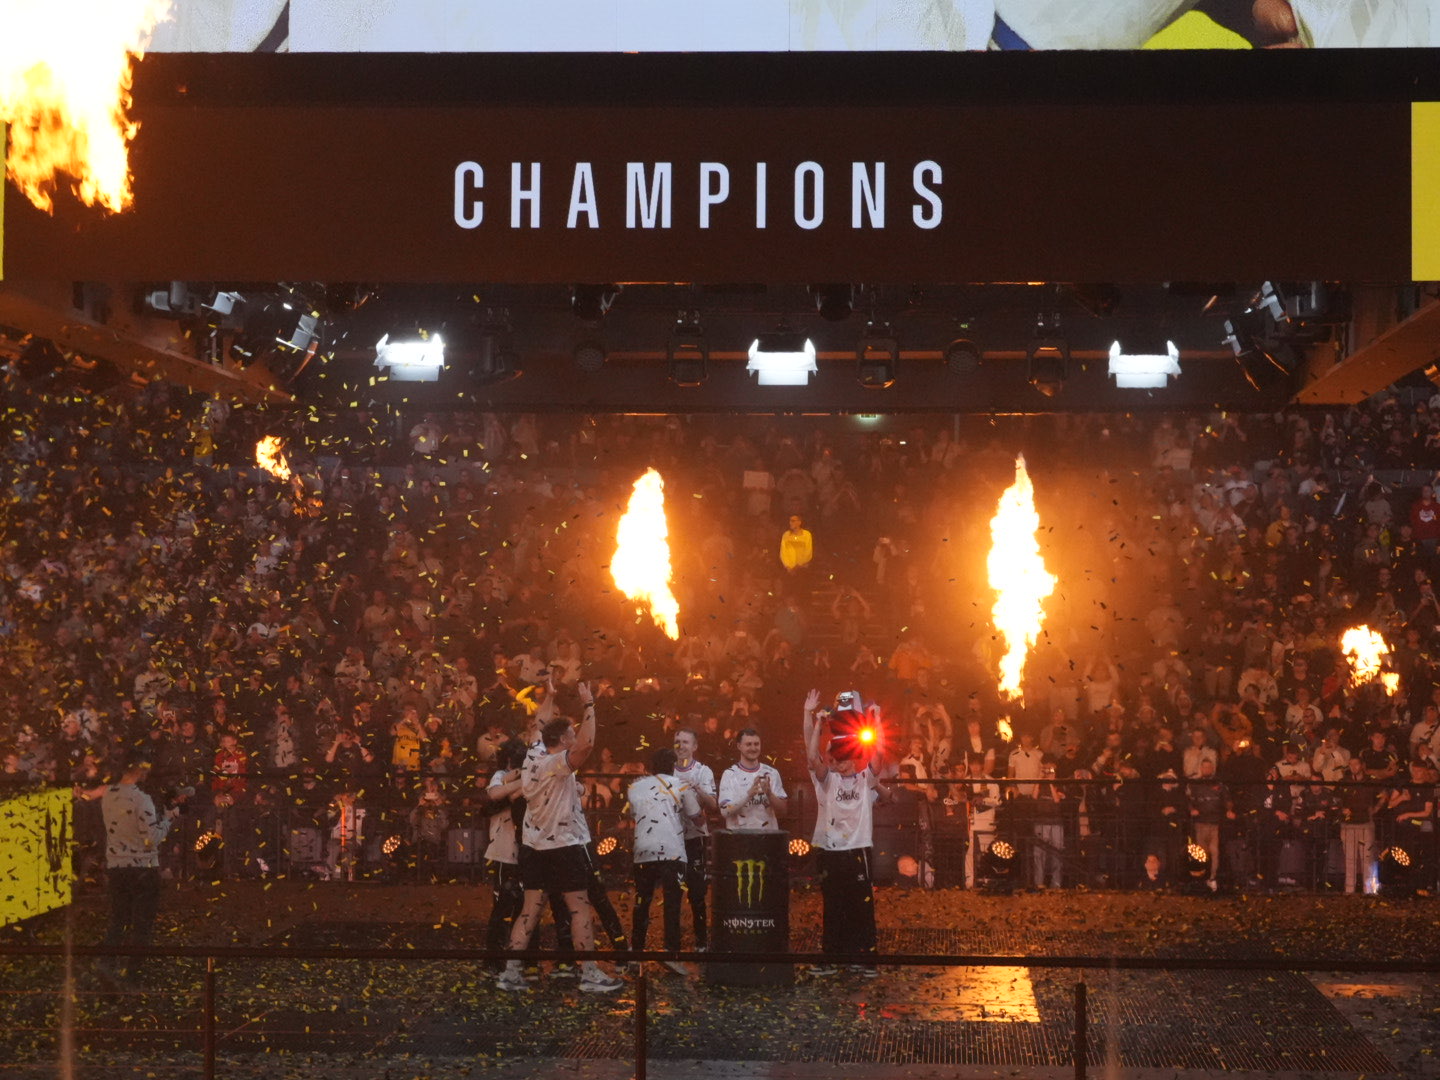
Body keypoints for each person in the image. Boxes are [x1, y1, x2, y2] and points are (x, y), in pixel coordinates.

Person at [497, 681, 623, 993]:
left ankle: (510, 973)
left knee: (530, 910)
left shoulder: (534, 753)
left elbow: (541, 720)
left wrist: (550, 696)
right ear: (563, 740)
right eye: (571, 733)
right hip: (563, 846)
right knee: (579, 907)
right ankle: (590, 973)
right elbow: (587, 746)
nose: (575, 735)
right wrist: (589, 705)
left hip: (534, 846)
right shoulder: (556, 762)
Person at [803, 689, 885, 976]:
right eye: (837, 759)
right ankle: (831, 957)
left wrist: (876, 722)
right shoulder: (829, 781)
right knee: (833, 906)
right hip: (833, 851)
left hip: (858, 850)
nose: (840, 763)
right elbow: (812, 759)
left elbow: (879, 755)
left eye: (845, 758)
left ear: (854, 759)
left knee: (862, 906)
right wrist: (818, 724)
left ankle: (865, 959)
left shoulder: (864, 780)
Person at [99, 757, 179, 987]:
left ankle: (107, 963)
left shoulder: (109, 794)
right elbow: (151, 838)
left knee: (119, 919)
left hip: (117, 866)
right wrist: (169, 819)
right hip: (142, 868)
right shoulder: (141, 799)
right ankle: (132, 974)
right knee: (141, 923)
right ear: (140, 770)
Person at [627, 747, 702, 975]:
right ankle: (671, 952)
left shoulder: (635, 787)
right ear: (673, 765)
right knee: (672, 903)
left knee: (642, 900)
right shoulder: (681, 785)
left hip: (643, 849)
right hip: (672, 850)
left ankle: (636, 953)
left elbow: (633, 813)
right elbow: (697, 817)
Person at [672, 728, 719, 950]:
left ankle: (701, 943)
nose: (681, 746)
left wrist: (697, 788)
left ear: (694, 746)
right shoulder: (667, 769)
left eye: (685, 742)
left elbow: (713, 805)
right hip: (671, 839)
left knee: (697, 892)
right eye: (677, 741)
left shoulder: (702, 771)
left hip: (694, 838)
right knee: (672, 892)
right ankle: (673, 944)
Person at [482, 738, 527, 966]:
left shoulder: (528, 775)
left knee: (525, 905)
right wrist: (518, 782)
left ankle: (520, 956)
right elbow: (494, 795)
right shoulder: (500, 775)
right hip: (503, 849)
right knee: (502, 905)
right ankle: (494, 957)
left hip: (525, 849)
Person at [718, 728, 789, 830]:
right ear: (739, 746)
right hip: (739, 837)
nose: (753, 748)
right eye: (748, 744)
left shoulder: (771, 773)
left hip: (768, 836)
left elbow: (783, 811)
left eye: (756, 744)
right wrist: (748, 795)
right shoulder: (730, 775)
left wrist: (769, 794)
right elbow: (725, 811)